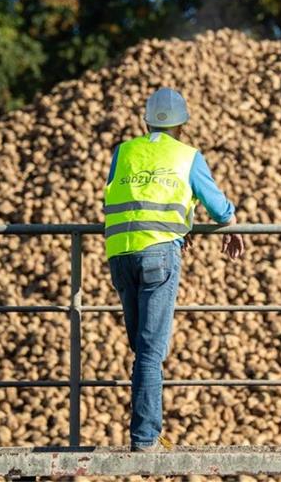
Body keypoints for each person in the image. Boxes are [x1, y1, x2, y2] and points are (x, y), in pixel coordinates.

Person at [103, 87, 245, 452]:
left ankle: (143, 428)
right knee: (150, 352)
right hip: (159, 255)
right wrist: (228, 224)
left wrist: (181, 222)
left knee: (140, 348)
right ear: (183, 124)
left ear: (145, 120)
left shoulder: (124, 152)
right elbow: (218, 205)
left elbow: (130, 195)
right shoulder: (187, 156)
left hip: (119, 254)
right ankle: (146, 438)